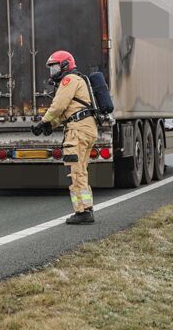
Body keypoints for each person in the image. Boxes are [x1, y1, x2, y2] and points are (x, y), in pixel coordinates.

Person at [31, 50, 98, 225]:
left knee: (76, 172)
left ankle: (82, 212)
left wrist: (43, 121)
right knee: (81, 171)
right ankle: (87, 208)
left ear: (65, 65)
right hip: (85, 127)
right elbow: (68, 111)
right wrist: (50, 125)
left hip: (77, 131)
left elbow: (59, 105)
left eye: (55, 67)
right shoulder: (78, 80)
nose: (52, 72)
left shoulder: (69, 80)